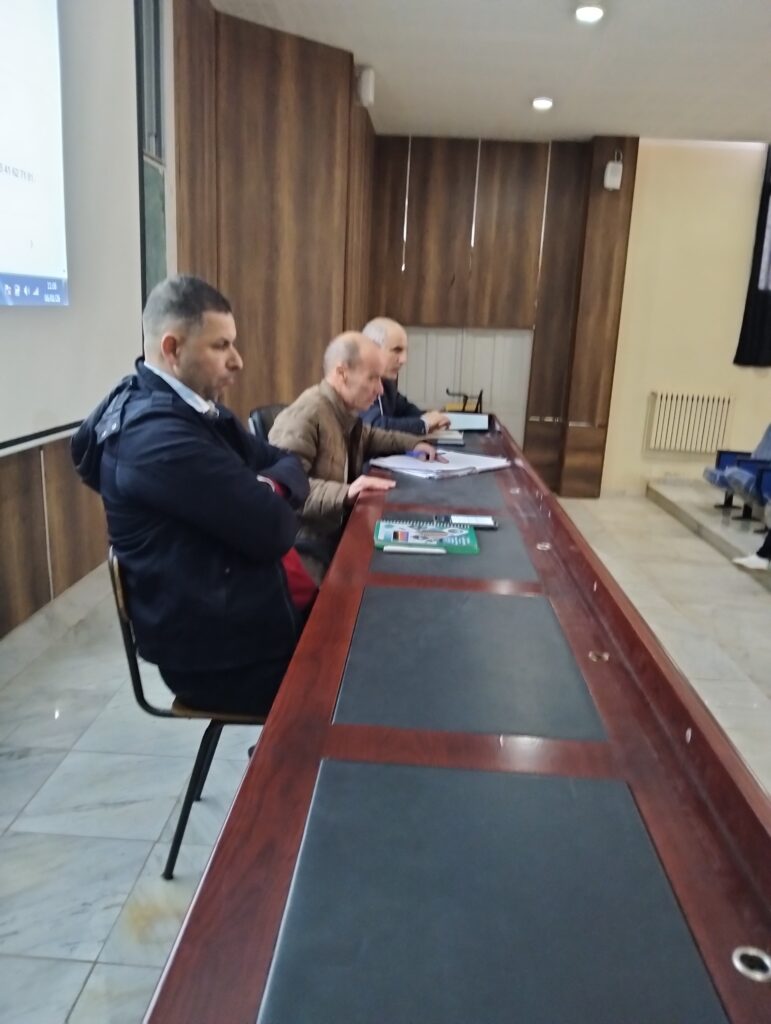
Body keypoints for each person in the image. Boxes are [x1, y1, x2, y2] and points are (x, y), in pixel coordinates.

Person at [71, 275, 313, 715]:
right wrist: (267, 491)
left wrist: (266, 486)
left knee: (365, 624)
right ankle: (288, 756)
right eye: (221, 346)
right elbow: (277, 528)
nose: (237, 361)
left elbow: (284, 460)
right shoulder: (156, 438)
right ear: (172, 348)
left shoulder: (197, 410)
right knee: (363, 676)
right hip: (220, 658)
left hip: (238, 616)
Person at [269, 331, 440, 582]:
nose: (380, 390)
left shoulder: (341, 411)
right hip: (307, 546)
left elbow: (369, 437)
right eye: (372, 378)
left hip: (337, 530)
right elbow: (285, 490)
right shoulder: (306, 415)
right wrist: (346, 492)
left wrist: (414, 444)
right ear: (342, 373)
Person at [360, 317, 451, 434]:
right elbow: (374, 426)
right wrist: (424, 424)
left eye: (405, 351)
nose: (404, 359)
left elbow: (405, 409)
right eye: (397, 350)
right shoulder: (356, 381)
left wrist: (433, 418)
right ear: (372, 349)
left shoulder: (386, 382)